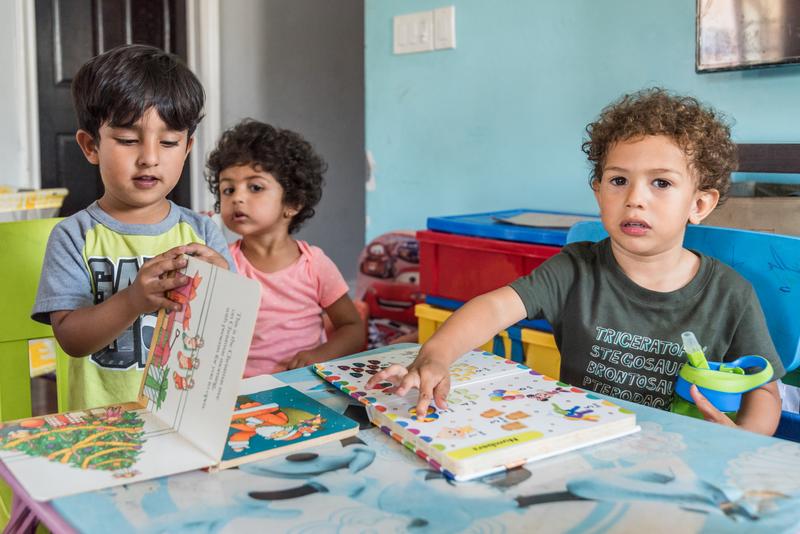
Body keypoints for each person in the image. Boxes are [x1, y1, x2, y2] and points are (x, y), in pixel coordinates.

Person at [367, 88, 785, 436]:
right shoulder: (575, 268)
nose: (635, 198)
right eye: (618, 181)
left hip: (686, 458)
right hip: (582, 441)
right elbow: (494, 306)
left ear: (699, 203)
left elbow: (764, 391)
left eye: (661, 183)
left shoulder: (730, 293)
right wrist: (437, 353)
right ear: (598, 193)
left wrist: (742, 440)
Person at [32, 44, 232, 411]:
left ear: (187, 149)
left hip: (184, 416)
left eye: (169, 142)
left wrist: (222, 289)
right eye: (127, 140)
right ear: (91, 146)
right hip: (102, 427)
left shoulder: (202, 234)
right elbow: (71, 339)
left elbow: (227, 336)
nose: (150, 157)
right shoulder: (74, 237)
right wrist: (132, 301)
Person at [206, 119, 365, 376]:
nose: (237, 197)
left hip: (306, 390)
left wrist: (318, 356)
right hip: (241, 396)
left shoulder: (314, 265)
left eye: (255, 187)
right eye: (228, 189)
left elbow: (353, 328)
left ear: (292, 203)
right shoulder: (223, 263)